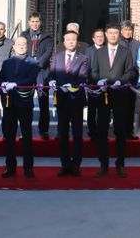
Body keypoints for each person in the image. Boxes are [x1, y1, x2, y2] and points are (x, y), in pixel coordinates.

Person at [92, 23, 137, 177]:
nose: (112, 35)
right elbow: (94, 71)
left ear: (119, 35)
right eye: (110, 33)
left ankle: (120, 164)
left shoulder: (125, 52)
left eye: (115, 33)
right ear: (106, 34)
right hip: (103, 95)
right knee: (102, 129)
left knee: (120, 129)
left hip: (120, 94)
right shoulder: (99, 52)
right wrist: (98, 80)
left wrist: (121, 81)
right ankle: (103, 164)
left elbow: (130, 71)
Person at [48, 30, 89, 177]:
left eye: (73, 39)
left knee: (77, 133)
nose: (71, 42)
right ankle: (65, 164)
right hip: (61, 99)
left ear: (77, 42)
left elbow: (83, 76)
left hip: (76, 99)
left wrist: (71, 85)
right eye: (68, 39)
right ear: (64, 42)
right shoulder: (57, 57)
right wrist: (52, 81)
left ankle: (76, 165)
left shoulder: (83, 58)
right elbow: (51, 74)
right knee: (63, 133)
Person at [0, 36, 40, 178]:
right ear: (13, 46)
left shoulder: (33, 62)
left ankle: (28, 168)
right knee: (9, 136)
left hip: (24, 102)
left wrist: (16, 84)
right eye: (19, 44)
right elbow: (1, 78)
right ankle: (10, 167)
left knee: (26, 136)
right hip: (9, 103)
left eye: (24, 44)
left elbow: (31, 79)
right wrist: (3, 85)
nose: (22, 46)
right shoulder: (7, 62)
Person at [21, 12, 54, 140]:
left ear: (40, 22)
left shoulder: (47, 37)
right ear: (29, 22)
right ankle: (25, 130)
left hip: (42, 72)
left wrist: (37, 64)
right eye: (33, 21)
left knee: (43, 102)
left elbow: (48, 52)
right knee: (25, 102)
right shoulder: (23, 35)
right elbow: (21, 49)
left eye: (37, 21)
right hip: (27, 71)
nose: (35, 24)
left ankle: (44, 129)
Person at [118, 20, 140, 140]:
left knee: (131, 106)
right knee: (120, 107)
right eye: (125, 30)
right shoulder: (117, 42)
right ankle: (119, 131)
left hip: (133, 78)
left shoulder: (136, 44)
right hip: (120, 78)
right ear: (121, 31)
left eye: (130, 30)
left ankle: (129, 131)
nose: (128, 32)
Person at [85, 28, 105, 141]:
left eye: (101, 36)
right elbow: (86, 67)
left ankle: (102, 131)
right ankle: (92, 131)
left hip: (105, 84)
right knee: (92, 109)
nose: (100, 38)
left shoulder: (107, 49)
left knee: (103, 110)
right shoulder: (89, 51)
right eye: (97, 37)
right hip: (92, 84)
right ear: (93, 39)